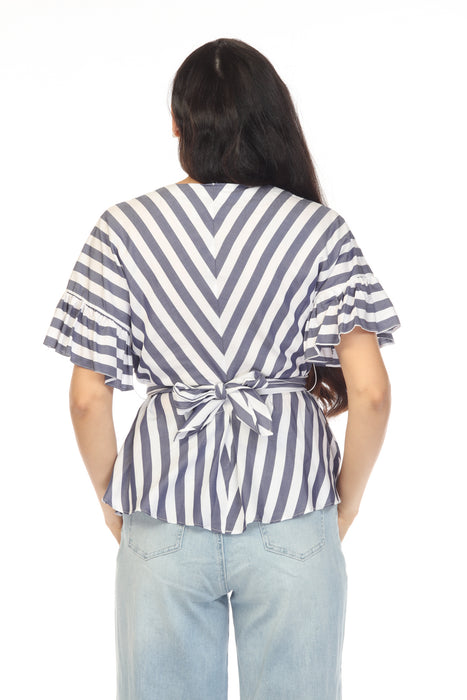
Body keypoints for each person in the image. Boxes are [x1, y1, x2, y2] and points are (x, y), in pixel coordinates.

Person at [43, 38, 400, 700]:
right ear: (271, 119)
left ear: (177, 125)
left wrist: (112, 501)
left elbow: (87, 398)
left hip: (163, 506)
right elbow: (371, 393)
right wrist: (345, 502)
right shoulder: (319, 231)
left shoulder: (120, 229)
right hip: (293, 503)